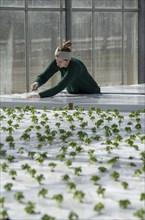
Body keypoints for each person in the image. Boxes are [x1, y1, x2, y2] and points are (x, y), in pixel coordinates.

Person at [28, 40, 101, 98]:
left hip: (91, 94)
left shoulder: (75, 66)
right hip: (75, 94)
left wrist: (40, 95)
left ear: (68, 60)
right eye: (56, 60)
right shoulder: (58, 62)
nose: (57, 64)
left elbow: (60, 86)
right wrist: (37, 83)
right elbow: (45, 76)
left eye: (60, 62)